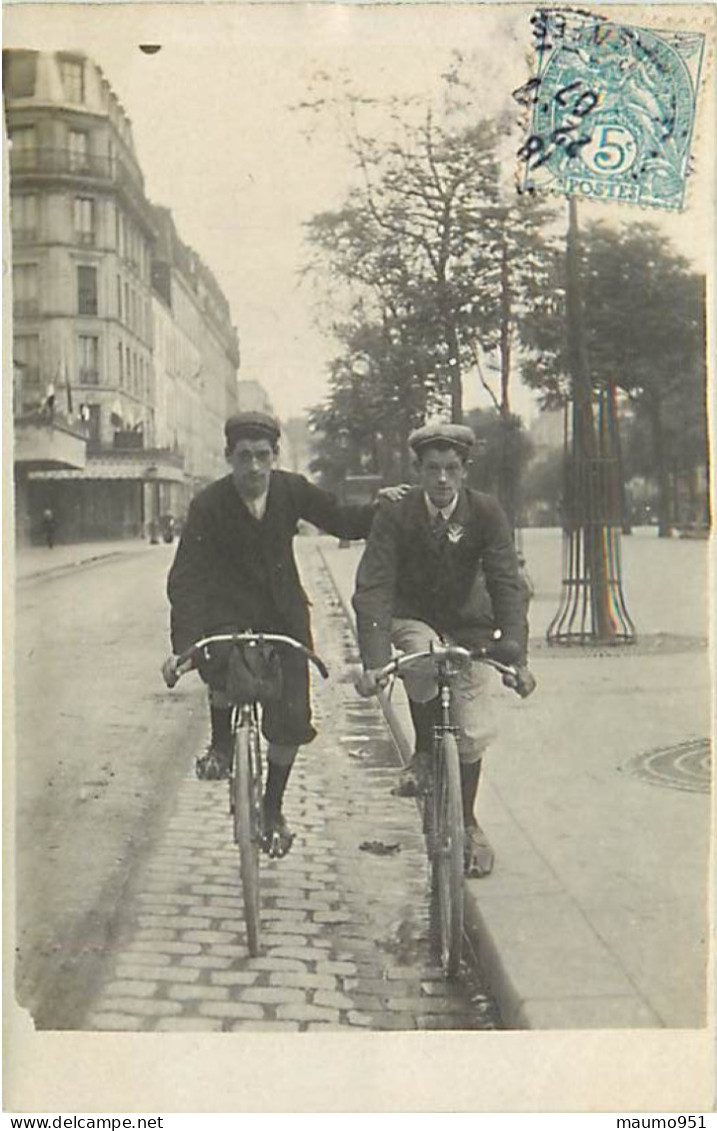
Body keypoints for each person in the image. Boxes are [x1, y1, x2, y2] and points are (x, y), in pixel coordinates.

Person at [162, 410, 393, 858]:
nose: (253, 467)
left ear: (275, 457)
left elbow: (341, 520)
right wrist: (185, 646)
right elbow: (185, 578)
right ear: (229, 457)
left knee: (291, 718)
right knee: (221, 660)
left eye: (262, 456)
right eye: (244, 457)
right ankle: (223, 744)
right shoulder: (208, 505)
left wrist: (384, 506)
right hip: (225, 611)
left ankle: (272, 809)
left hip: (282, 615)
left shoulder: (290, 490)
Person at [352, 422, 536, 878]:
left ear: (464, 471)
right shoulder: (396, 514)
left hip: (470, 623)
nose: (441, 479)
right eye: (432, 469)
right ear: (417, 470)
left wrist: (514, 651)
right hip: (412, 615)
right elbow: (374, 585)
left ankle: (468, 819)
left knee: (471, 732)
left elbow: (505, 582)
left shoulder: (486, 512)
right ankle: (424, 753)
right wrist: (375, 663)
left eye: (451, 469)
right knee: (421, 656)